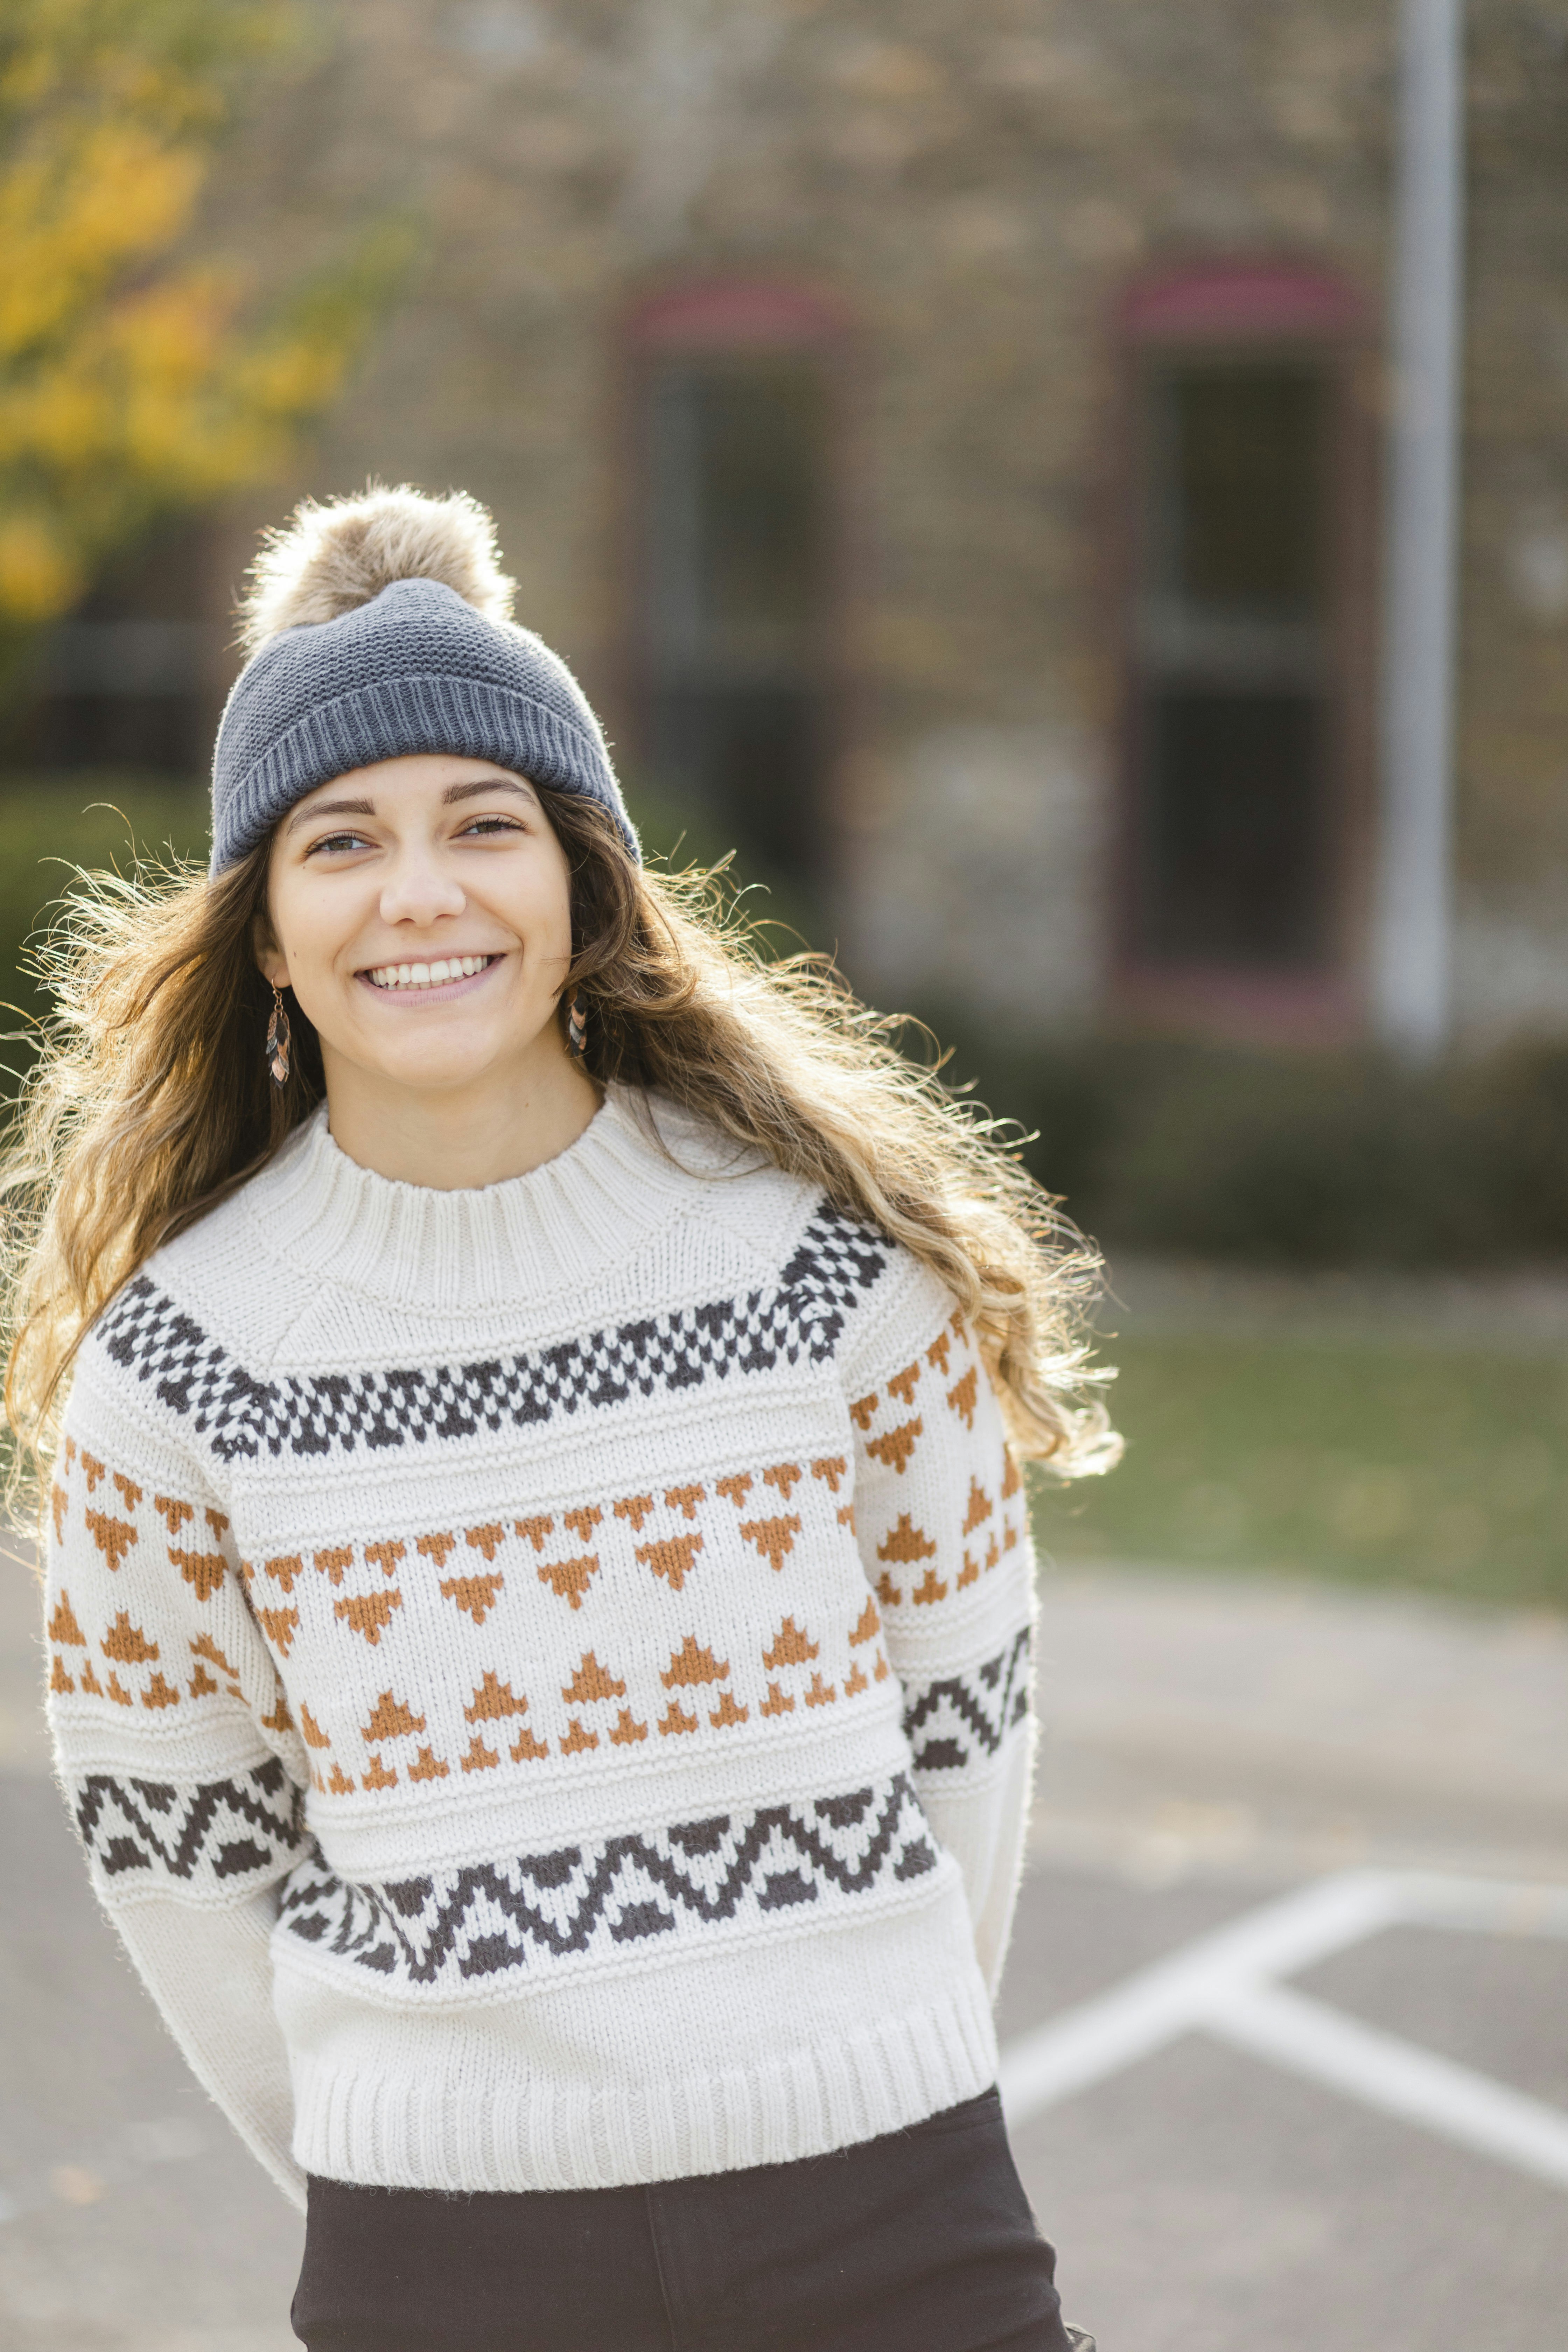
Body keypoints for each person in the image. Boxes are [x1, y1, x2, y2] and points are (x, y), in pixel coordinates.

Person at [4, 486, 1112, 2352]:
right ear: (268, 935)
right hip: (443, 2263)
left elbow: (969, 1724)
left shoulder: (826, 1273)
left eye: (483, 826)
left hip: (896, 2213)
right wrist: (388, 2138)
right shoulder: (173, 1372)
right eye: (340, 841)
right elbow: (172, 1838)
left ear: (584, 887)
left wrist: (854, 2043)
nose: (419, 892)